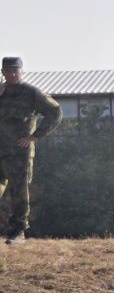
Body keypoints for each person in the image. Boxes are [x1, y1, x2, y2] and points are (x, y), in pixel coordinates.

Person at [0, 57, 63, 244]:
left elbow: (55, 112)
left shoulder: (31, 93)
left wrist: (35, 136)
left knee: (19, 190)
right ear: (2, 72)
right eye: (7, 71)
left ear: (21, 71)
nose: (11, 74)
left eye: (14, 70)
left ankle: (18, 230)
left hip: (19, 151)